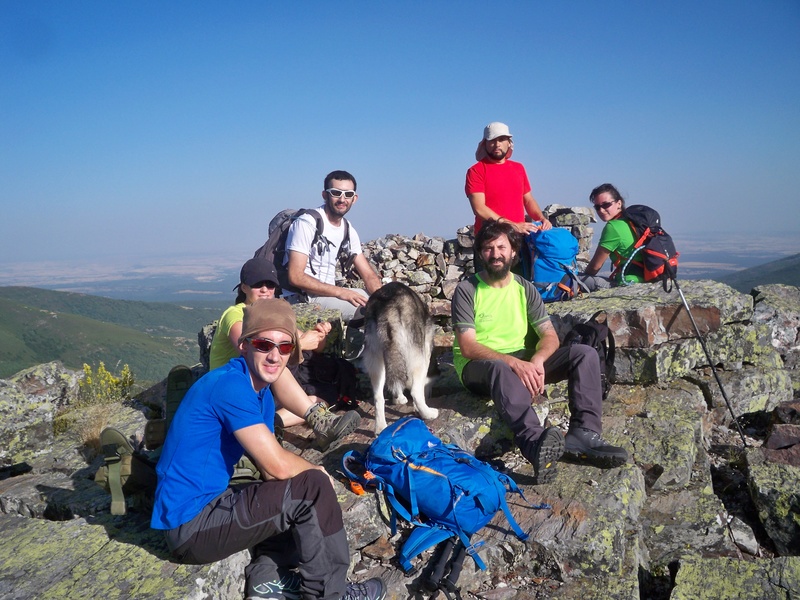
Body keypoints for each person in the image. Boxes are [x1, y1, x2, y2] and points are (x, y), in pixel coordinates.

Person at [152, 299, 387, 600]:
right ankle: (332, 594)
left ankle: (268, 582)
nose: (275, 356)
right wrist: (319, 476)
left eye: (285, 347)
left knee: (295, 504)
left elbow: (268, 471)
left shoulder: (258, 391)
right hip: (190, 524)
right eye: (265, 344)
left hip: (212, 504)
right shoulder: (230, 386)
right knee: (313, 489)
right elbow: (277, 466)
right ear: (245, 345)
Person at [451, 220, 628, 485]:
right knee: (501, 368)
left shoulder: (525, 288)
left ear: (513, 252)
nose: (495, 254)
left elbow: (549, 335)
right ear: (480, 254)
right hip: (478, 366)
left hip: (521, 356)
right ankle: (534, 444)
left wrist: (537, 359)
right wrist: (514, 363)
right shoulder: (468, 290)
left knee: (583, 353)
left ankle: (584, 434)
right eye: (488, 248)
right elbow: (468, 346)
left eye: (501, 247)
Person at [209, 257, 360, 451]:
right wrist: (300, 344)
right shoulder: (236, 313)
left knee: (323, 396)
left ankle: (272, 421)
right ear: (244, 288)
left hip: (259, 384)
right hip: (232, 384)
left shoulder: (274, 314)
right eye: (258, 284)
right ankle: (321, 423)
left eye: (270, 285)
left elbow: (312, 346)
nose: (265, 290)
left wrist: (319, 334)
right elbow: (247, 349)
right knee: (272, 360)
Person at [283, 170, 382, 321]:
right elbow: (295, 277)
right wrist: (340, 292)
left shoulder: (348, 229)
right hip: (303, 298)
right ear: (325, 195)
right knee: (371, 311)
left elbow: (368, 275)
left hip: (328, 294)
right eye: (336, 193)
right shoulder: (307, 223)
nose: (342, 199)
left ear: (354, 198)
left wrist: (385, 298)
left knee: (384, 305)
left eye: (348, 194)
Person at [465, 122, 554, 236]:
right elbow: (479, 208)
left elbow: (528, 200)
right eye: (492, 140)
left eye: (501, 139)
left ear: (509, 143)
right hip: (490, 240)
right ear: (485, 144)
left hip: (518, 237)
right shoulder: (476, 171)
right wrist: (513, 225)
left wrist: (542, 219)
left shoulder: (518, 168)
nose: (497, 144)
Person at [581, 183, 644, 289]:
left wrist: (582, 277)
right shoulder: (631, 222)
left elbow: (595, 266)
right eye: (597, 207)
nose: (601, 210)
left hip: (628, 281)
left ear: (619, 203)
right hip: (648, 277)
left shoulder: (613, 227)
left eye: (606, 205)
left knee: (575, 280)